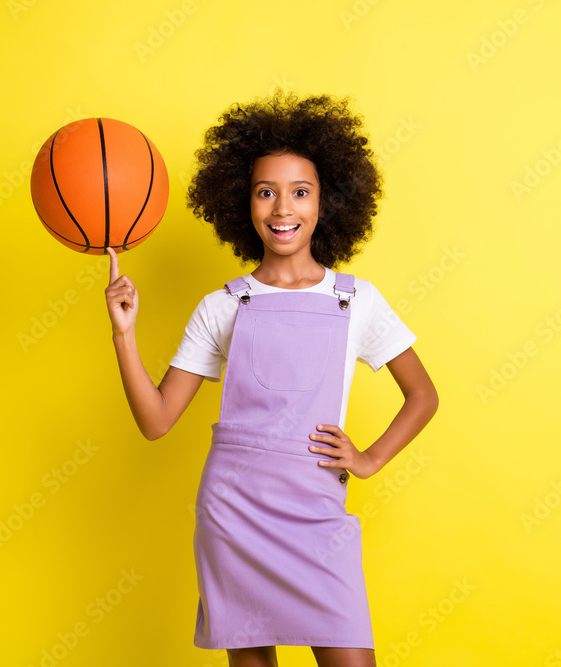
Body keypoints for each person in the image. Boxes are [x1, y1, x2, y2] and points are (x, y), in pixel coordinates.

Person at [104, 92, 438, 667]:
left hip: (317, 516)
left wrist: (370, 459)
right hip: (234, 514)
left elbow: (423, 395)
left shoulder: (355, 300)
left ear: (326, 203)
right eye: (266, 191)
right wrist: (124, 334)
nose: (283, 207)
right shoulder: (223, 305)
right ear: (244, 202)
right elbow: (156, 421)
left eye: (300, 192)